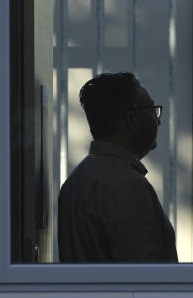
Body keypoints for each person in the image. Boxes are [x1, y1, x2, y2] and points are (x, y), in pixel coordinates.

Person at [58, 72, 178, 262]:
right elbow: (146, 278)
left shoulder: (74, 181)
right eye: (152, 110)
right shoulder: (129, 186)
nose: (158, 120)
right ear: (132, 120)